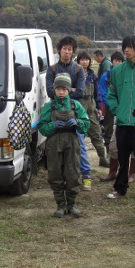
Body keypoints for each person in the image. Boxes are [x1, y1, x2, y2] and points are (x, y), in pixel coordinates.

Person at [38, 73, 90, 218]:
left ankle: (72, 204)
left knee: (72, 172)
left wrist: (78, 123)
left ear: (69, 90)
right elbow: (42, 127)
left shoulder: (75, 105)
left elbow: (86, 124)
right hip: (54, 143)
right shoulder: (49, 106)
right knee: (55, 173)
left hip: (72, 143)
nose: (61, 92)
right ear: (54, 89)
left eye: (64, 89)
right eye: (58, 88)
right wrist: (52, 125)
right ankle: (60, 205)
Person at [45, 36, 92, 190]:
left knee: (80, 145)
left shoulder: (78, 69)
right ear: (59, 50)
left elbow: (80, 92)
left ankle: (86, 175)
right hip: (55, 112)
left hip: (74, 111)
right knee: (56, 148)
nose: (67, 52)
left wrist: (63, 92)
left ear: (73, 52)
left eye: (70, 49)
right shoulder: (52, 69)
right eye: (64, 48)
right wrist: (67, 90)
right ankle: (60, 179)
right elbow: (50, 91)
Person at [106, 35, 135, 200]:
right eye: (124, 47)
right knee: (122, 156)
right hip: (123, 121)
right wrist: (118, 110)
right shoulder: (117, 70)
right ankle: (120, 188)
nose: (126, 50)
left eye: (129, 47)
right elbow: (112, 94)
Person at [76, 51, 109, 168]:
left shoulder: (93, 76)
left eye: (87, 60)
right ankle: (78, 161)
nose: (85, 62)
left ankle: (102, 158)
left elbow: (98, 93)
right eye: (82, 59)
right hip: (79, 110)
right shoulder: (75, 75)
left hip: (91, 108)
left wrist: (99, 108)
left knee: (97, 134)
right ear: (78, 61)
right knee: (78, 137)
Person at [99, 51, 125, 182]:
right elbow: (103, 92)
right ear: (112, 62)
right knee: (108, 130)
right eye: (115, 61)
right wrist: (111, 105)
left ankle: (121, 161)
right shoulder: (106, 75)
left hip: (123, 107)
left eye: (120, 61)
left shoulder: (125, 74)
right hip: (110, 107)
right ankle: (110, 155)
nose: (117, 63)